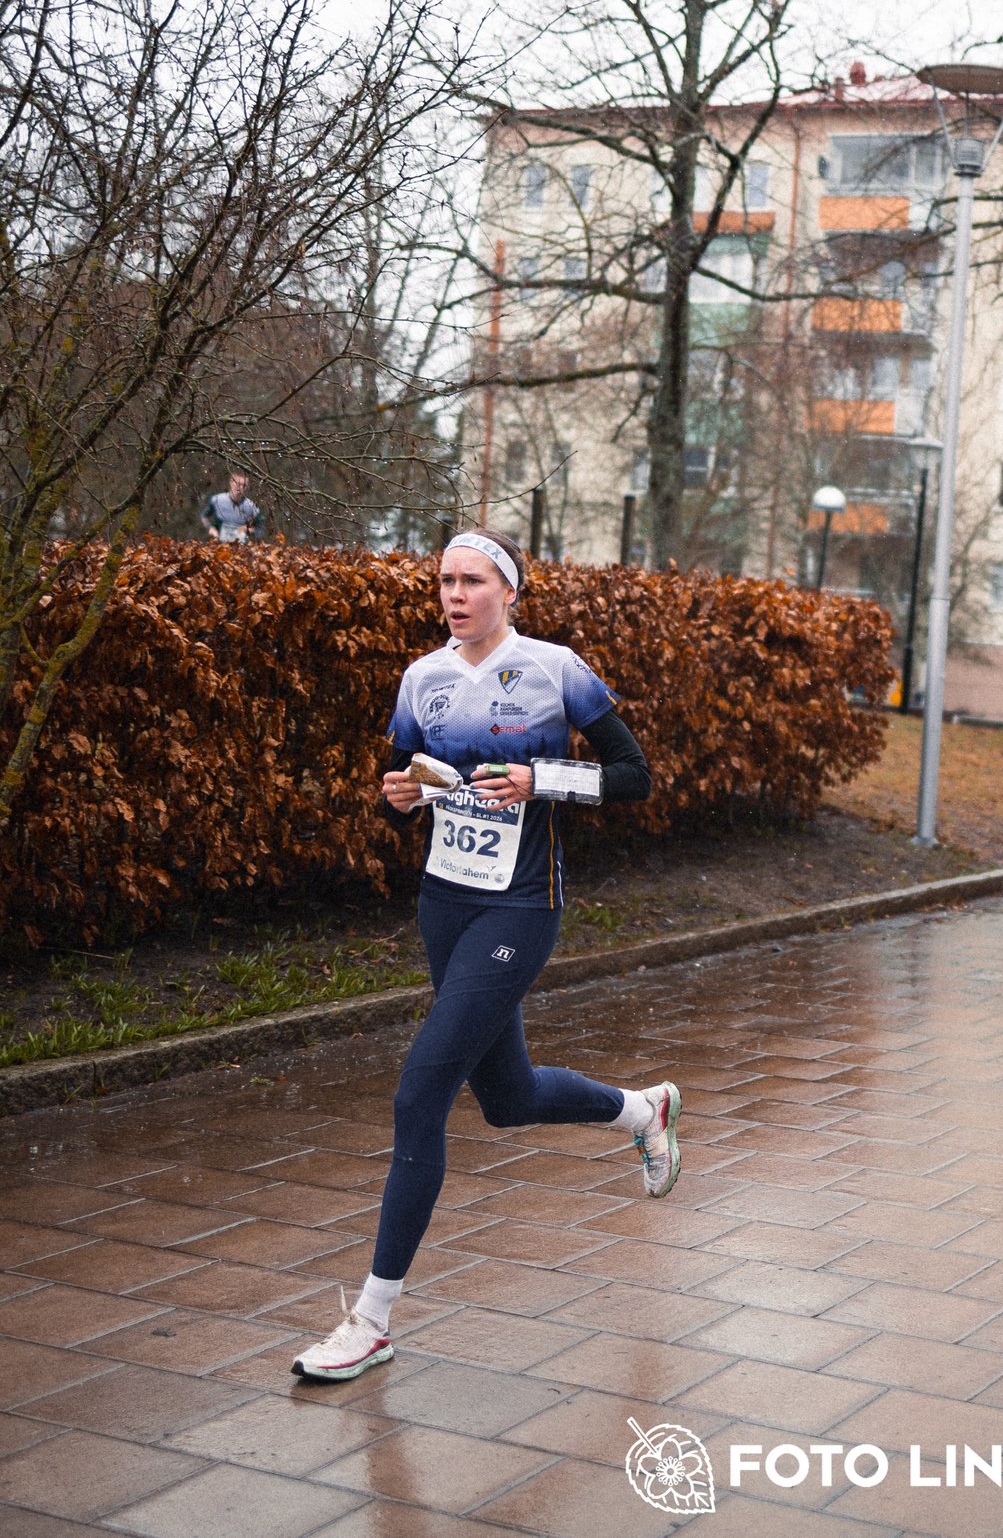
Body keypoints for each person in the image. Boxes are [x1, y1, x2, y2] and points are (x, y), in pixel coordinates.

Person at [291, 527, 677, 1382]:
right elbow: (403, 786)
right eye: (444, 581)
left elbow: (635, 774)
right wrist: (397, 797)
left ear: (509, 590)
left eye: (471, 580)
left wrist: (544, 780)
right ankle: (642, 1112)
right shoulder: (421, 679)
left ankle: (372, 1318)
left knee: (418, 1091)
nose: (454, 595)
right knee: (505, 1097)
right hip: (444, 903)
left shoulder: (555, 668)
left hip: (520, 905)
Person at [201, 472, 262, 543]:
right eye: (238, 484)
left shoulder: (251, 506)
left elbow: (260, 528)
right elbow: (204, 516)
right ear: (231, 483)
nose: (241, 488)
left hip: (241, 547)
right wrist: (210, 528)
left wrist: (247, 530)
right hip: (219, 545)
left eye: (244, 485)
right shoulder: (217, 500)